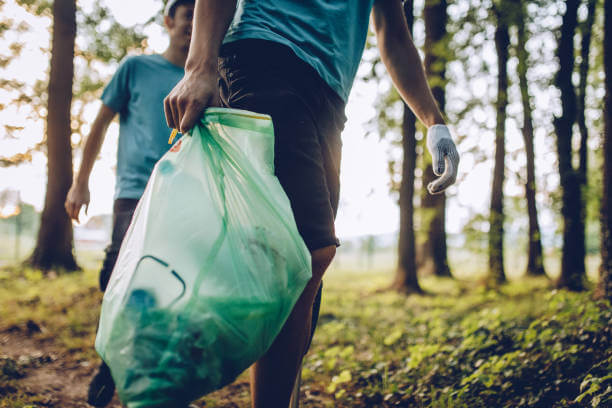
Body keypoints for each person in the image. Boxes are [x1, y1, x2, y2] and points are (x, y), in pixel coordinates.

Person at [164, 1, 460, 407]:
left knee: (303, 269)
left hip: (330, 95)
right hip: (264, 54)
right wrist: (199, 66)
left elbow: (393, 32)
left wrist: (434, 121)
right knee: (305, 254)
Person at [64, 0, 195, 406]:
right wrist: (79, 183)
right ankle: (110, 358)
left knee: (171, 280)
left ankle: (151, 367)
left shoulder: (208, 77)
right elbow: (100, 122)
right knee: (118, 272)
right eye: (187, 17)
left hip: (184, 195)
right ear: (169, 21)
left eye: (200, 18)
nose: (193, 26)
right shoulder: (136, 68)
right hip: (134, 191)